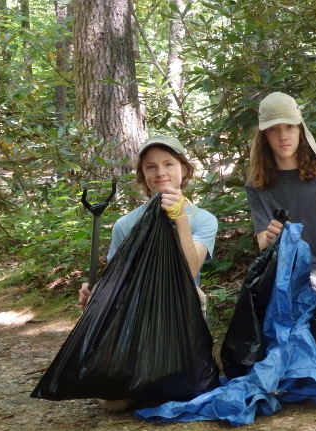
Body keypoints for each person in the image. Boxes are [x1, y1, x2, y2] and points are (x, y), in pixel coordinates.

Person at [77, 134, 218, 410]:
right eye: (150, 167)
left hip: (180, 310)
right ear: (142, 175)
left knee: (183, 391)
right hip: (135, 314)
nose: (160, 173)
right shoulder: (125, 225)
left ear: (184, 170)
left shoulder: (203, 219)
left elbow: (189, 273)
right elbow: (117, 282)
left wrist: (180, 219)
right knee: (114, 405)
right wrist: (94, 294)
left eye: (168, 164)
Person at [245, 92, 316, 290]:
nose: (283, 136)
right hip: (280, 277)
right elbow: (263, 243)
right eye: (273, 129)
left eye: (290, 126)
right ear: (264, 137)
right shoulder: (256, 186)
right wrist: (270, 236)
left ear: (301, 130)